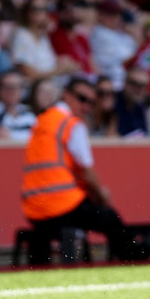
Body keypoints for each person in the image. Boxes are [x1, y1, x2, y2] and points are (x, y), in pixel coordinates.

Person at [20, 77, 128, 262]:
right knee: (110, 218)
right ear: (66, 95)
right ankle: (134, 259)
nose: (86, 106)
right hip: (62, 206)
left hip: (32, 208)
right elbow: (86, 170)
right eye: (82, 99)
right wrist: (101, 197)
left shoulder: (42, 121)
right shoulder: (71, 124)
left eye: (91, 102)